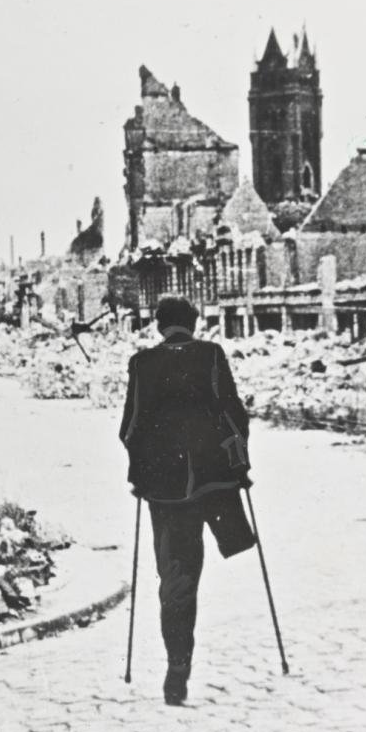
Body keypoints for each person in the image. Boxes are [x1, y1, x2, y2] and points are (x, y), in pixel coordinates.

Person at [119, 294, 255, 705]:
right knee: (231, 537)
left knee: (177, 581)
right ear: (193, 324)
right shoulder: (212, 356)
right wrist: (237, 464)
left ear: (159, 326)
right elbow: (235, 416)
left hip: (167, 492)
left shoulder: (142, 364)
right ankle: (234, 536)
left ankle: (178, 666)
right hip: (213, 485)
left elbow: (131, 428)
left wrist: (141, 474)